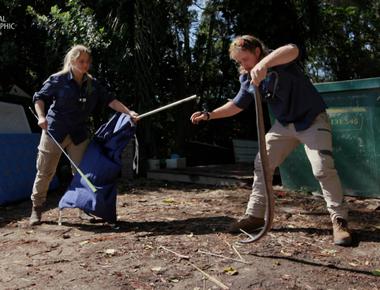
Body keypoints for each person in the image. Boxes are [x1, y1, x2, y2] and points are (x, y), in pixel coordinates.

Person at [190, 35, 352, 246]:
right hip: (284, 125)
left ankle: (340, 221)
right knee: (262, 164)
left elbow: (293, 47)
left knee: (322, 168)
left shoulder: (279, 61)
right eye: (239, 62)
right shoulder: (247, 78)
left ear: (257, 52)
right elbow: (237, 105)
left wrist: (264, 65)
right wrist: (209, 114)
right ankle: (255, 216)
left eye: (245, 59)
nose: (243, 65)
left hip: (312, 120)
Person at [30, 44, 139, 226]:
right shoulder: (58, 80)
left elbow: (110, 100)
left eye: (88, 61)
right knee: (45, 172)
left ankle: (84, 209)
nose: (85, 64)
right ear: (72, 61)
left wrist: (129, 113)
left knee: (83, 173)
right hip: (54, 131)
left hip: (78, 134)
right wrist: (41, 117)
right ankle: (37, 208)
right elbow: (38, 97)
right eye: (81, 61)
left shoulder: (92, 84)